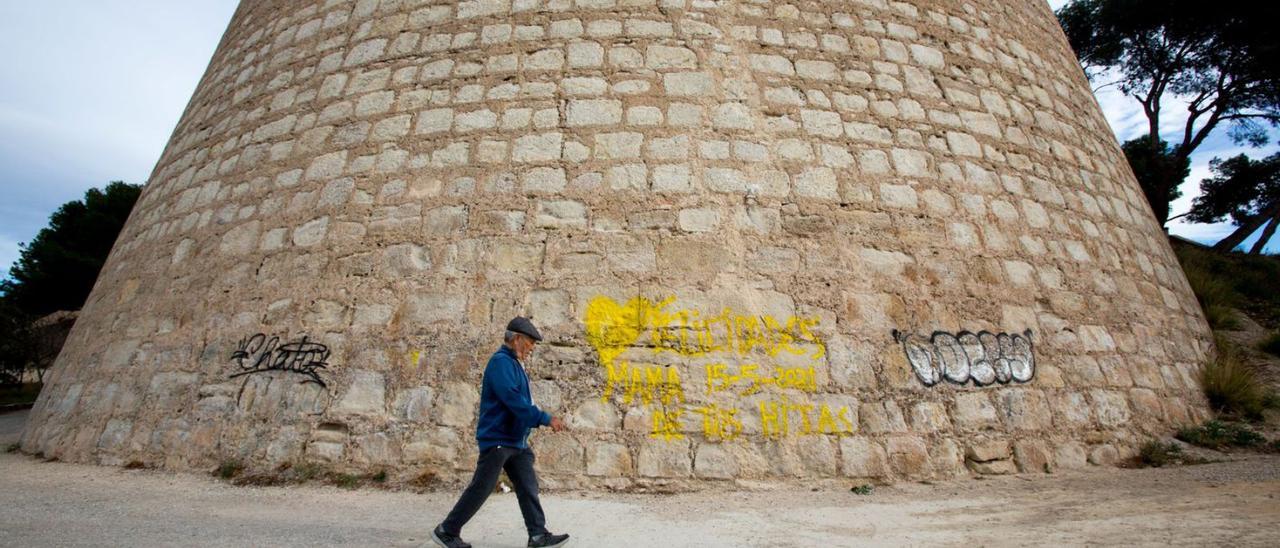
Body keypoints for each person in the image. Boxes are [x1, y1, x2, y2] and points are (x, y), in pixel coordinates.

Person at [431, 317, 571, 548]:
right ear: (516, 339)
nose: (531, 348)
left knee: (528, 486)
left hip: (516, 441)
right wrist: (545, 418)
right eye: (529, 343)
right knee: (482, 488)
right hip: (498, 439)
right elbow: (513, 401)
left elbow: (521, 401)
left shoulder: (514, 364)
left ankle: (537, 534)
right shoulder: (500, 363)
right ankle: (447, 530)